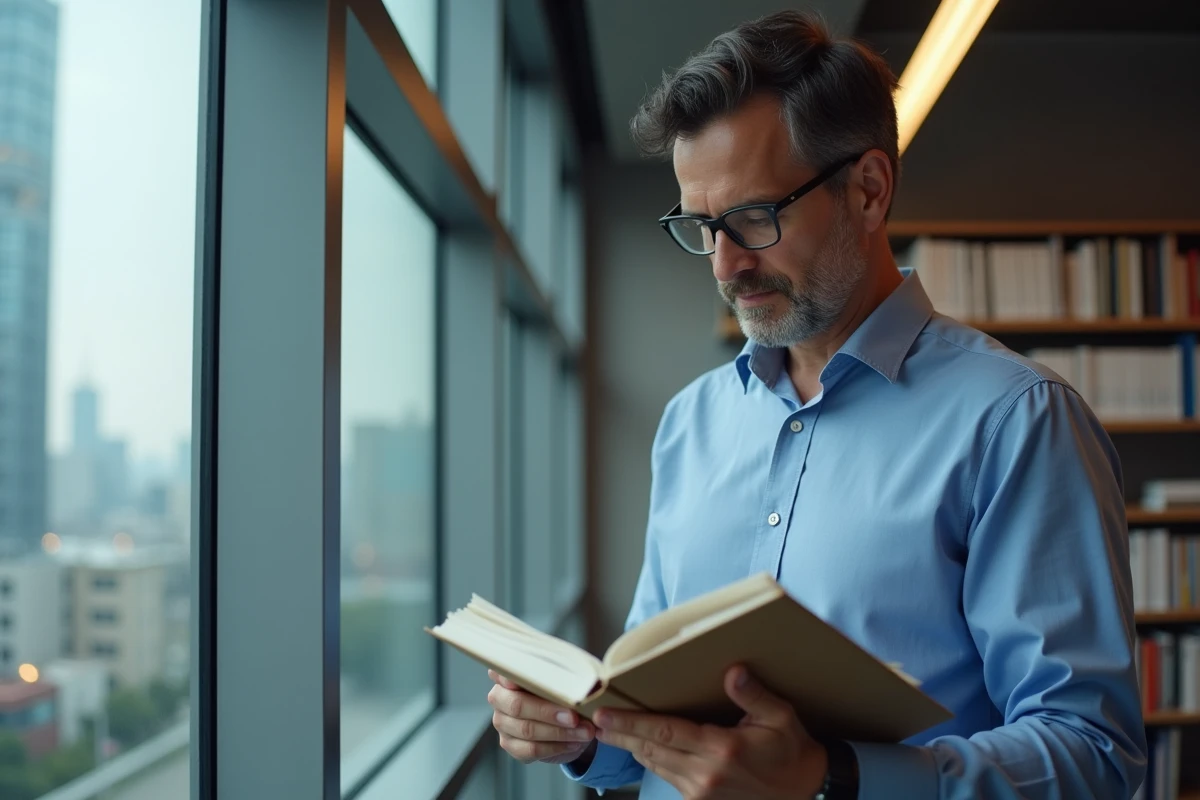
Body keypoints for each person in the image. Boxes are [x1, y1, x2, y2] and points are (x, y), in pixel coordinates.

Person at [486, 10, 1147, 799]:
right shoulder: (690, 424)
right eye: (701, 228)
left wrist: (834, 777)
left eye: (753, 219)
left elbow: (1093, 756)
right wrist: (584, 737)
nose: (725, 266)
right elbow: (657, 720)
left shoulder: (1017, 422)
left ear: (868, 191)